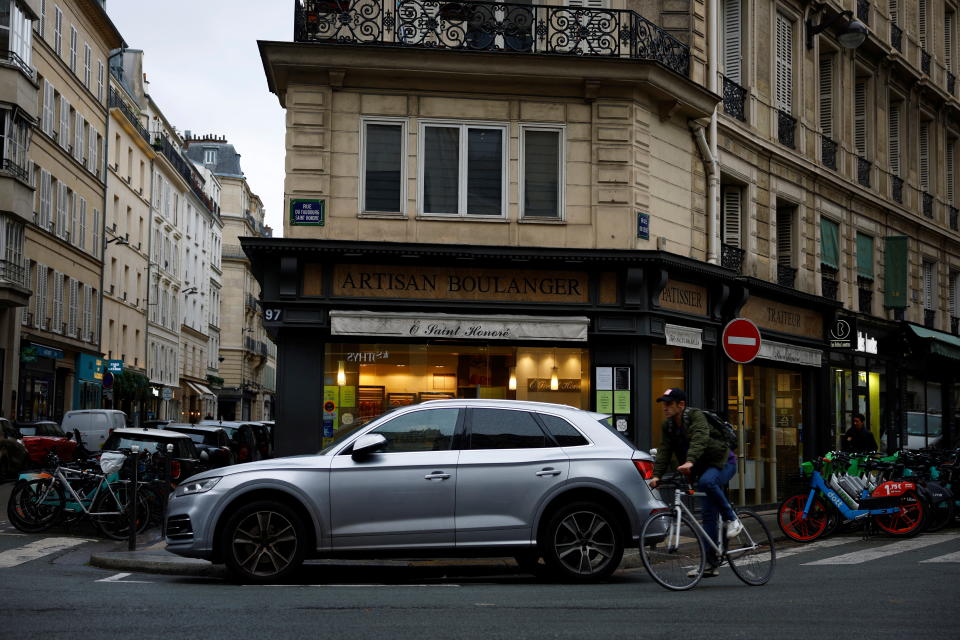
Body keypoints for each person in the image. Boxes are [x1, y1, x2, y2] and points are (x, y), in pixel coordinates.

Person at [648, 388, 740, 577]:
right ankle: (710, 563)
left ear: (680, 405)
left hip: (723, 462)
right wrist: (656, 475)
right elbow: (665, 450)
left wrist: (690, 460)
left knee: (707, 482)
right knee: (708, 515)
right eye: (663, 404)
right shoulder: (669, 426)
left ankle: (732, 519)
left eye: (669, 404)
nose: (664, 408)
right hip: (702, 467)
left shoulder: (696, 416)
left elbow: (700, 437)